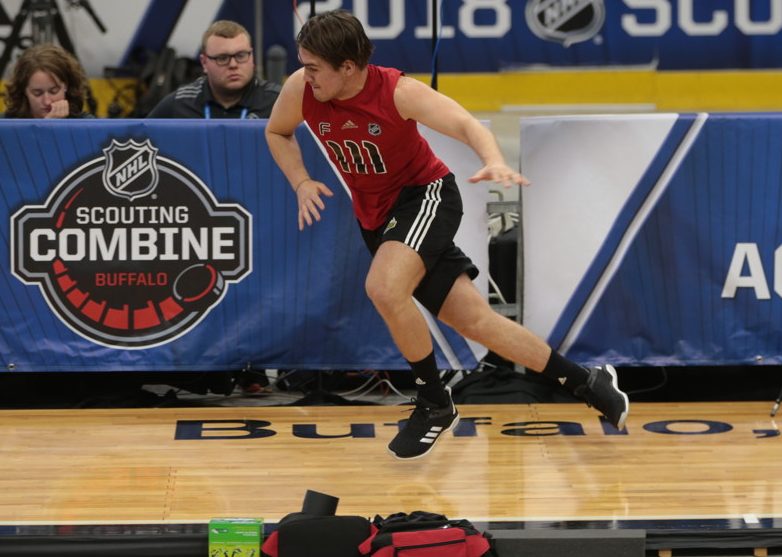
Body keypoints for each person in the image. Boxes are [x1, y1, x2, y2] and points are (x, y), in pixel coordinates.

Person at [265, 10, 630, 460]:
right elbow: (277, 132)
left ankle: (434, 401)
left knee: (382, 287)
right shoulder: (301, 88)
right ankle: (585, 381)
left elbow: (465, 124)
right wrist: (301, 181)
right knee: (475, 321)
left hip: (426, 198)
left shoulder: (398, 91)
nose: (306, 74)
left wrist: (493, 158)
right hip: (378, 218)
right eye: (304, 63)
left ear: (348, 67)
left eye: (315, 66)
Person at [146, 20, 280, 119]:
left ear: (252, 57)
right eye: (222, 58)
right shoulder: (180, 103)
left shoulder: (278, 102)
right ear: (204, 62)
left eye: (241, 56)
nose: (233, 64)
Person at [3, 44, 92, 119]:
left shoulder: (87, 125)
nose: (47, 102)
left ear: (66, 86)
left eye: (54, 91)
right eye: (37, 93)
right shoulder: (4, 126)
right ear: (24, 91)